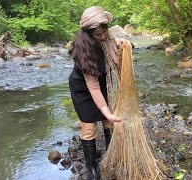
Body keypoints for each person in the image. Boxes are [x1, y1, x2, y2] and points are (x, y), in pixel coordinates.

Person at [68, 6, 127, 180]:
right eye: (97, 35)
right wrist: (105, 110)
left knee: (109, 122)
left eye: (104, 33)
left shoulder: (107, 37)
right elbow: (92, 87)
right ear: (88, 34)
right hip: (82, 88)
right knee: (89, 126)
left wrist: (122, 46)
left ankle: (110, 155)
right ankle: (91, 166)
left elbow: (115, 59)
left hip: (102, 81)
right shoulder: (81, 51)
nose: (102, 37)